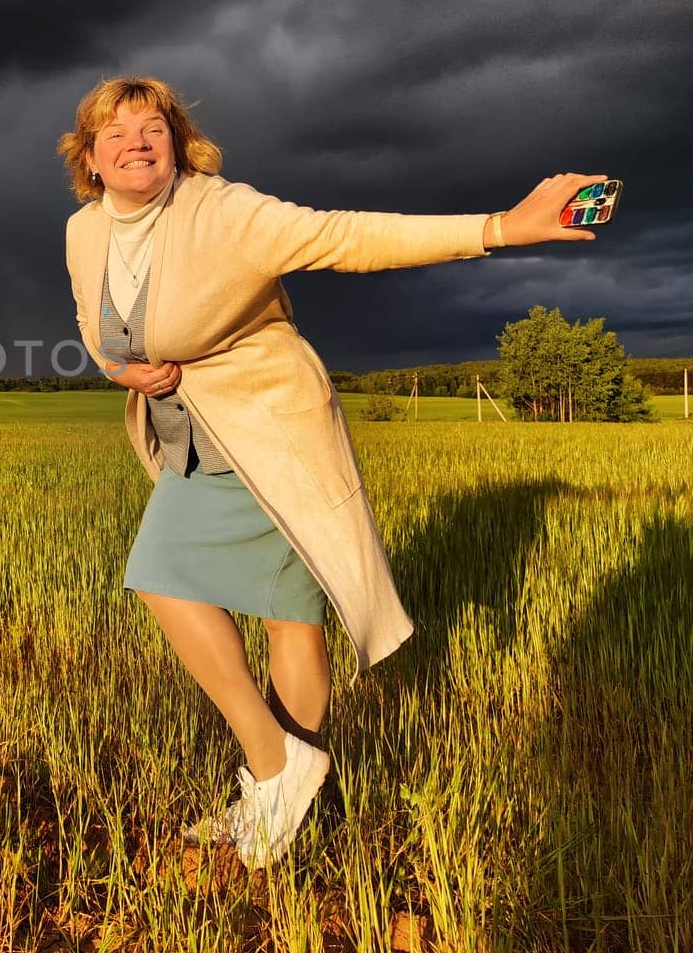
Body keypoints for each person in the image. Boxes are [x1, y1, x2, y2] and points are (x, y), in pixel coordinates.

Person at [59, 75, 602, 869]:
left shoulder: (224, 211)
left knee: (160, 580)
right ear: (91, 160)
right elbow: (96, 328)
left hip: (271, 432)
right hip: (187, 438)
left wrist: (501, 228)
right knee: (289, 612)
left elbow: (347, 236)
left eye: (154, 129)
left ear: (177, 145)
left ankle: (279, 765)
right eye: (117, 134)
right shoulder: (84, 232)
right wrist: (122, 370)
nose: (137, 142)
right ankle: (273, 791)